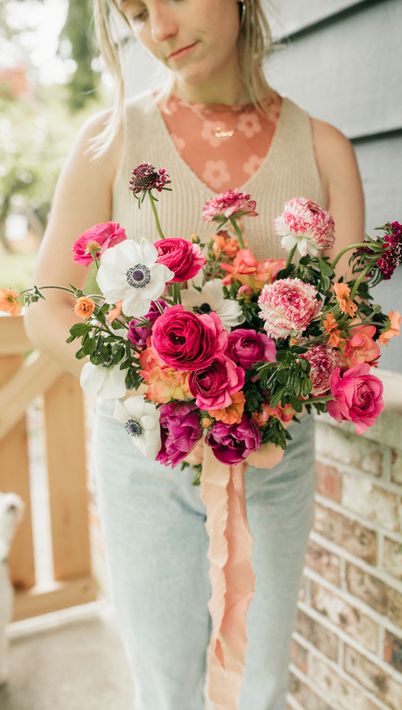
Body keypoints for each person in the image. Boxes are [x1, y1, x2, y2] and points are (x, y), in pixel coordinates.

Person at [24, 1, 364, 708]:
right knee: (167, 690)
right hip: (146, 463)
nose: (160, 30)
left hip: (272, 465)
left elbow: (346, 322)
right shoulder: (112, 139)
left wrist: (293, 371)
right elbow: (43, 305)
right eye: (138, 12)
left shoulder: (324, 149)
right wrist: (148, 384)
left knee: (260, 686)